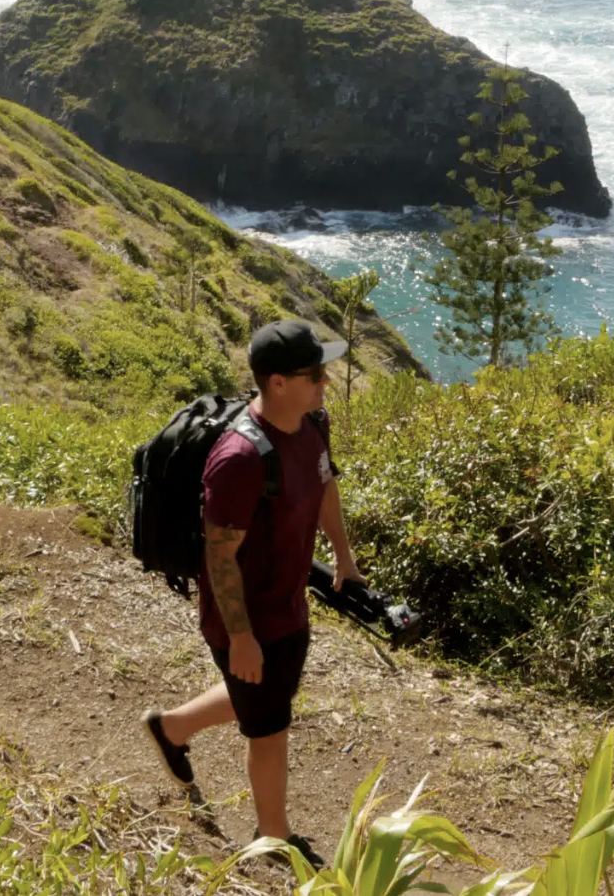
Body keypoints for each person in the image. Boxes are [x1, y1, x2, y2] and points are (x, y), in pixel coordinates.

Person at [142, 319, 364, 867]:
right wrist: (240, 636)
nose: (325, 383)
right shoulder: (239, 460)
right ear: (277, 382)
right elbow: (219, 556)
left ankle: (169, 728)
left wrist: (343, 551)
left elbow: (324, 481)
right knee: (269, 728)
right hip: (246, 615)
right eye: (314, 374)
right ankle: (274, 839)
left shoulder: (313, 423)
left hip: (287, 600)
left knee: (268, 694)